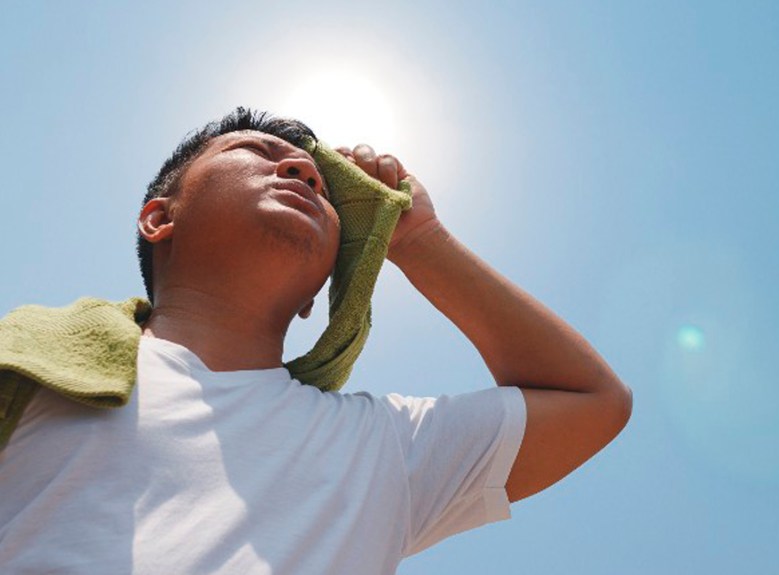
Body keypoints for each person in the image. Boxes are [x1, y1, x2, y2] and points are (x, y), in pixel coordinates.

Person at [0, 108, 631, 574]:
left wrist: (421, 241)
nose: (301, 169)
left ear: (315, 298)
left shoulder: (384, 447)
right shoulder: (31, 363)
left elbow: (593, 400)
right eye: (253, 150)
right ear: (160, 217)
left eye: (325, 191)